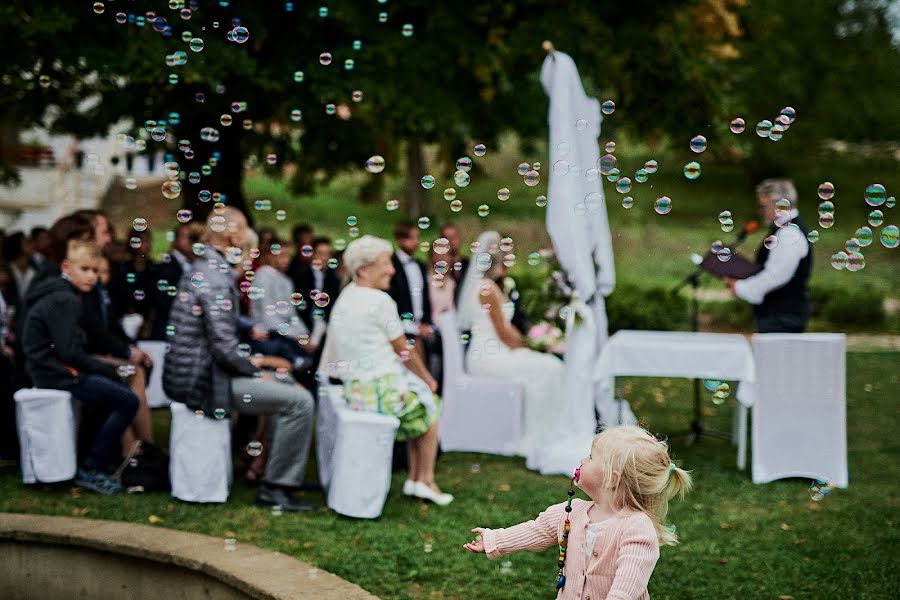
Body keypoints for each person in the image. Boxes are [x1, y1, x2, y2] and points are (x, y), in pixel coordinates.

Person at [163, 206, 317, 512]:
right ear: (233, 234)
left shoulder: (205, 268)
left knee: (286, 382)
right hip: (204, 382)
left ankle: (268, 470)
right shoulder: (215, 276)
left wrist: (253, 347)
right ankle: (276, 487)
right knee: (301, 402)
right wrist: (256, 370)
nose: (248, 237)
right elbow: (222, 348)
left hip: (205, 372)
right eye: (245, 229)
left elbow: (221, 328)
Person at [464, 425, 693, 600]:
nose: (583, 460)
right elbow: (538, 530)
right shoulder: (572, 512)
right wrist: (495, 539)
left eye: (591, 457)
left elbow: (628, 585)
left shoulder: (636, 528)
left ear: (612, 478)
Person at [319, 235, 453, 505]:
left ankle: (417, 481)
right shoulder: (380, 301)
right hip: (379, 388)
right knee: (431, 405)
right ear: (363, 270)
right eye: (386, 263)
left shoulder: (346, 296)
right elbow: (404, 350)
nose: (392, 270)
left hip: (355, 388)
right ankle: (424, 480)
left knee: (421, 401)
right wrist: (428, 379)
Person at [22, 240, 139, 495]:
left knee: (110, 393)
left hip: (50, 370)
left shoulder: (58, 293)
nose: (91, 277)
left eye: (96, 271)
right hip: (56, 374)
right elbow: (70, 352)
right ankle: (91, 467)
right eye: (85, 269)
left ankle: (94, 461)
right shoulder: (65, 299)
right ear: (66, 266)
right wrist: (106, 369)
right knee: (128, 401)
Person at [464, 233, 564, 457]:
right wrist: (530, 347)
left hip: (502, 351)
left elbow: (510, 330)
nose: (508, 266)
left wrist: (533, 342)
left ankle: (549, 432)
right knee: (549, 367)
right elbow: (503, 333)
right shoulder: (486, 290)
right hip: (488, 356)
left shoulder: (496, 287)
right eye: (505, 261)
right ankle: (535, 437)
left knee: (550, 366)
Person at [724, 179, 812, 333]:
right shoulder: (784, 229)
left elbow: (777, 275)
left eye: (764, 206)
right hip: (778, 314)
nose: (760, 211)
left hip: (784, 317)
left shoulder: (789, 233)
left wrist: (741, 287)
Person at [249, 237, 316, 373]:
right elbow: (268, 318)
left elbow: (291, 314)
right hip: (268, 336)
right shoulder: (263, 276)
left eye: (288, 255)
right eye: (282, 255)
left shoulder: (286, 280)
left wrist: (304, 334)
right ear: (269, 256)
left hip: (285, 334)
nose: (286, 260)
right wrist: (297, 336)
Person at [388, 222, 435, 360]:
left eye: (417, 238)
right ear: (399, 240)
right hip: (400, 329)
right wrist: (411, 327)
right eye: (411, 238)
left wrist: (426, 322)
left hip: (421, 328)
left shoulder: (420, 265)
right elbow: (394, 298)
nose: (416, 242)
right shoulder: (391, 266)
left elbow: (425, 297)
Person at [150, 222, 195, 340]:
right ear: (175, 240)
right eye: (186, 237)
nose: (190, 241)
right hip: (167, 328)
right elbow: (163, 302)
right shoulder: (167, 266)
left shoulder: (190, 263)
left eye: (192, 237)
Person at [293, 236, 341, 333]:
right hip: (303, 326)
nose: (324, 258)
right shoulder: (301, 276)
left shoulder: (333, 279)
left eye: (328, 254)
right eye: (321, 253)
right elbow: (298, 307)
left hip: (325, 328)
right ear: (312, 254)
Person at [2, 232, 36, 310]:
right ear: (17, 246)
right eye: (27, 243)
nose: (32, 245)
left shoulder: (36, 269)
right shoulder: (5, 272)